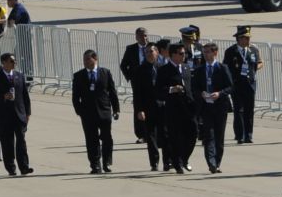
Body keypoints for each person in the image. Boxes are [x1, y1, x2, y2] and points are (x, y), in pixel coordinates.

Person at [69, 49, 119, 175]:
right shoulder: (79, 76)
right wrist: (80, 111)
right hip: (88, 114)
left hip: (105, 111)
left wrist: (116, 109)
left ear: (95, 58)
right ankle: (95, 165)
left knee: (107, 138)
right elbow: (75, 97)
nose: (85, 62)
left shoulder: (105, 73)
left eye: (87, 59)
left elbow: (112, 92)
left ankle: (107, 162)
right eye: (84, 60)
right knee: (91, 140)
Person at [190, 40, 233, 173]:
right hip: (206, 107)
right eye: (204, 52)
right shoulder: (199, 70)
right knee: (209, 135)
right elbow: (194, 88)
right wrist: (201, 93)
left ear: (215, 53)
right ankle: (211, 162)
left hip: (220, 106)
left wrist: (219, 93)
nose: (205, 55)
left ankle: (217, 162)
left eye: (208, 52)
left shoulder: (222, 68)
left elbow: (231, 86)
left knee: (219, 136)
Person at [155, 39, 195, 173]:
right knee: (175, 137)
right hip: (173, 109)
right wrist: (172, 89)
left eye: (184, 53)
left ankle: (184, 158)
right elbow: (158, 91)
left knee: (193, 134)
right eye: (180, 53)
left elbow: (190, 87)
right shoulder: (164, 70)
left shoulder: (186, 67)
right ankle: (177, 164)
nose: (183, 56)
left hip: (188, 108)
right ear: (172, 55)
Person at [121, 29, 159, 169]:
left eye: (146, 35)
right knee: (139, 107)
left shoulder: (154, 49)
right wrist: (130, 77)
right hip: (138, 81)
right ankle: (141, 133)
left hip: (155, 91)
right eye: (141, 36)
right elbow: (123, 65)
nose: (144, 38)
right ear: (136, 37)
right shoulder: (131, 49)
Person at [0, 52, 33, 177]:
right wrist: (3, 96)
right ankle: (11, 168)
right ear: (4, 62)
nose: (14, 63)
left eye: (14, 61)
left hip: (19, 115)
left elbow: (25, 96)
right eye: (11, 61)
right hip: (4, 116)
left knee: (21, 141)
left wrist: (28, 113)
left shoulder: (19, 76)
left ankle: (24, 167)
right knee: (7, 143)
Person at [227, 25, 262, 144]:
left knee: (249, 110)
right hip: (237, 84)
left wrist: (254, 69)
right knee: (239, 110)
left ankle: (248, 134)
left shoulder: (253, 50)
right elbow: (226, 68)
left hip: (250, 83)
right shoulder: (231, 51)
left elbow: (259, 63)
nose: (248, 40)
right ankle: (240, 134)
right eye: (246, 38)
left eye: (249, 38)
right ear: (239, 39)